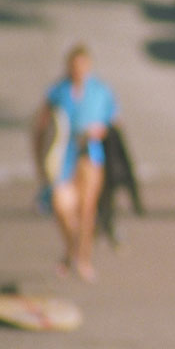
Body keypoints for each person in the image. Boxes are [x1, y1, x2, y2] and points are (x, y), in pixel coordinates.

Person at [32, 43, 119, 282]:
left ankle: (82, 259)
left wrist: (99, 130)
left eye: (82, 65)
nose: (78, 70)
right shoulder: (59, 91)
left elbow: (112, 121)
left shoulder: (100, 91)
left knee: (86, 209)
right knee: (61, 204)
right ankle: (71, 249)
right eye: (74, 65)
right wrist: (41, 157)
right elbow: (42, 125)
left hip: (91, 157)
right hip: (63, 156)